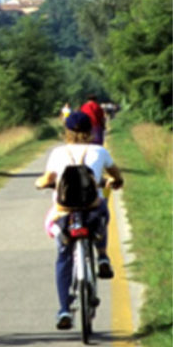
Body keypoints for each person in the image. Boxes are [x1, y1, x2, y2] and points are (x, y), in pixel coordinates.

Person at [34, 111, 124, 330]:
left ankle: (65, 309)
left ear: (67, 131)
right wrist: (116, 181)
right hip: (92, 209)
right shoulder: (99, 151)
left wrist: (40, 183)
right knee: (103, 212)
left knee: (63, 257)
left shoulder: (57, 153)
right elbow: (115, 175)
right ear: (90, 130)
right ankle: (102, 256)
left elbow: (47, 179)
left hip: (65, 212)